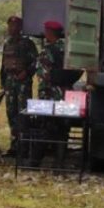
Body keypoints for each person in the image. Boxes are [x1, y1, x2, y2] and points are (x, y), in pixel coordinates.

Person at [29, 20, 69, 166]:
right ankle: (59, 162)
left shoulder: (48, 51)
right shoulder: (68, 49)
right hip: (66, 94)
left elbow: (42, 75)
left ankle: (35, 161)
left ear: (49, 33)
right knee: (63, 128)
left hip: (49, 94)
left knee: (44, 126)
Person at [0, 15, 38, 156]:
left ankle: (24, 148)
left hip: (23, 83)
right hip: (10, 83)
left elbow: (36, 62)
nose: (12, 28)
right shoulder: (7, 43)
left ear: (21, 28)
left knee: (23, 114)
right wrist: (3, 82)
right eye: (10, 25)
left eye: (15, 26)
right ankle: (14, 146)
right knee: (11, 114)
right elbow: (3, 64)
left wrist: (27, 73)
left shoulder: (28, 43)